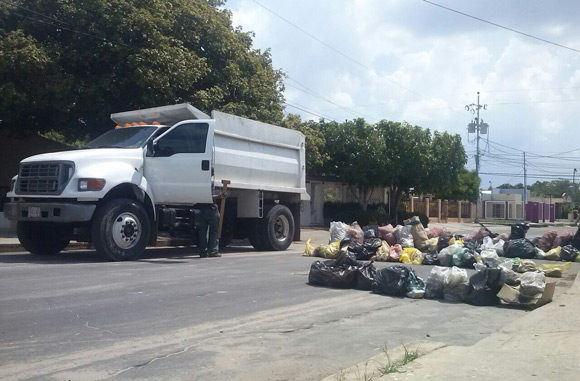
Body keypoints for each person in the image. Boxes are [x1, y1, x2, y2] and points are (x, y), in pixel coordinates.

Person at [195, 184, 221, 258]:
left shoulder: (200, 184)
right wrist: (220, 196)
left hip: (202, 209)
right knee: (213, 231)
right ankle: (212, 250)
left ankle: (203, 251)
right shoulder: (209, 183)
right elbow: (210, 196)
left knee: (203, 232)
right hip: (211, 209)